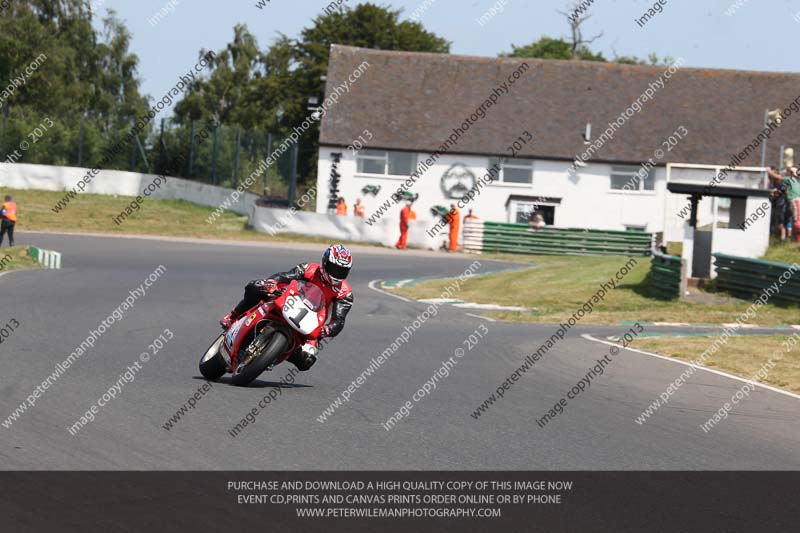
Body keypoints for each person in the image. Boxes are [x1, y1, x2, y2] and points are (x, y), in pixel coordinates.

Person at [219, 245, 354, 371]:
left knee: (306, 361)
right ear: (324, 262)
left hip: (312, 324)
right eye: (334, 268)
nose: (337, 274)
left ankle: (273, 354)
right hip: (289, 299)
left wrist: (327, 329)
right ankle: (232, 316)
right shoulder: (309, 269)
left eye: (342, 271)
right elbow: (284, 276)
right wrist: (272, 283)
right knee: (255, 287)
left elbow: (339, 320)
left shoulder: (345, 293)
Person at [767, 167, 788, 240]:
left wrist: (769, 171)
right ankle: (771, 235)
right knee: (772, 220)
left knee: (781, 221)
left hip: (781, 204)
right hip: (774, 204)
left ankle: (783, 237)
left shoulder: (784, 181)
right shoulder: (774, 182)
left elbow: (781, 191)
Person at [785, 167, 800, 242]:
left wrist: (769, 171)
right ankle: (795, 240)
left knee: (797, 222)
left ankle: (796, 240)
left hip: (795, 201)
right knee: (793, 221)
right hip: (791, 202)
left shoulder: (791, 180)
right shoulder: (794, 181)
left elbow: (778, 177)